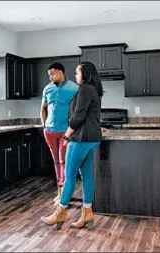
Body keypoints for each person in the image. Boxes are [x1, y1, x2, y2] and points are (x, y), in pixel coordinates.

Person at [41, 61, 103, 230]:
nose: (76, 76)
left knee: (69, 176)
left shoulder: (83, 89)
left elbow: (78, 116)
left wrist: (67, 135)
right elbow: (92, 116)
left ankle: (60, 212)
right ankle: (87, 212)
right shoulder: (95, 90)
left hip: (80, 139)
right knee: (86, 176)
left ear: (85, 74)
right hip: (92, 138)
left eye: (77, 73)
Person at [40, 62, 79, 206]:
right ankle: (59, 192)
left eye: (52, 73)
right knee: (56, 161)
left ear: (60, 72)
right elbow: (43, 108)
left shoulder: (74, 88)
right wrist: (44, 125)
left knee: (64, 161)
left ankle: (64, 194)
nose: (50, 77)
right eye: (49, 74)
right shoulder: (47, 89)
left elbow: (79, 111)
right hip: (49, 130)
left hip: (65, 131)